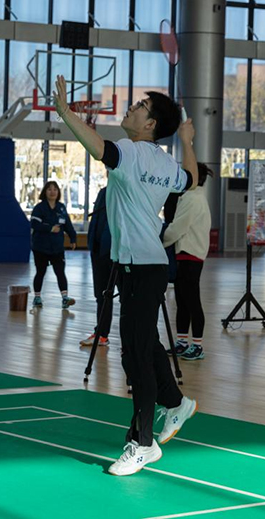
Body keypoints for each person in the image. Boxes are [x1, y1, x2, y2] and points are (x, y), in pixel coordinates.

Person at [54, 74, 198, 477]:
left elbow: (98, 147)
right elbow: (191, 180)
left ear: (149, 124)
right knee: (144, 344)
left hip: (139, 267)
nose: (132, 107)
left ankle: (143, 443)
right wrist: (187, 142)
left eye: (140, 106)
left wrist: (65, 112)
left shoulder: (131, 152)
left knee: (135, 356)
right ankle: (176, 404)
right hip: (145, 266)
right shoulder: (165, 162)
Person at [162, 163, 213, 361]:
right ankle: (182, 342)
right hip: (186, 254)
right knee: (182, 301)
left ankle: (197, 345)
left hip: (190, 254)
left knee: (192, 301)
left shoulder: (192, 198)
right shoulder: (194, 197)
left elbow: (177, 228)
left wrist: (159, 239)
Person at [30, 180, 77, 310]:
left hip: (57, 248)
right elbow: (34, 224)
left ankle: (65, 298)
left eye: (55, 189)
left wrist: (73, 238)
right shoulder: (39, 208)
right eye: (49, 189)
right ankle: (37, 297)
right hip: (41, 247)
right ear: (45, 192)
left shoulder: (61, 208)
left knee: (60, 272)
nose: (52, 192)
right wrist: (50, 228)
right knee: (40, 272)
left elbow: (67, 225)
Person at [81, 186, 112, 347]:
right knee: (102, 295)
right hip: (99, 252)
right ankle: (101, 334)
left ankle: (131, 339)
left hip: (118, 253)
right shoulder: (104, 192)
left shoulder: (129, 190)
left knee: (128, 298)